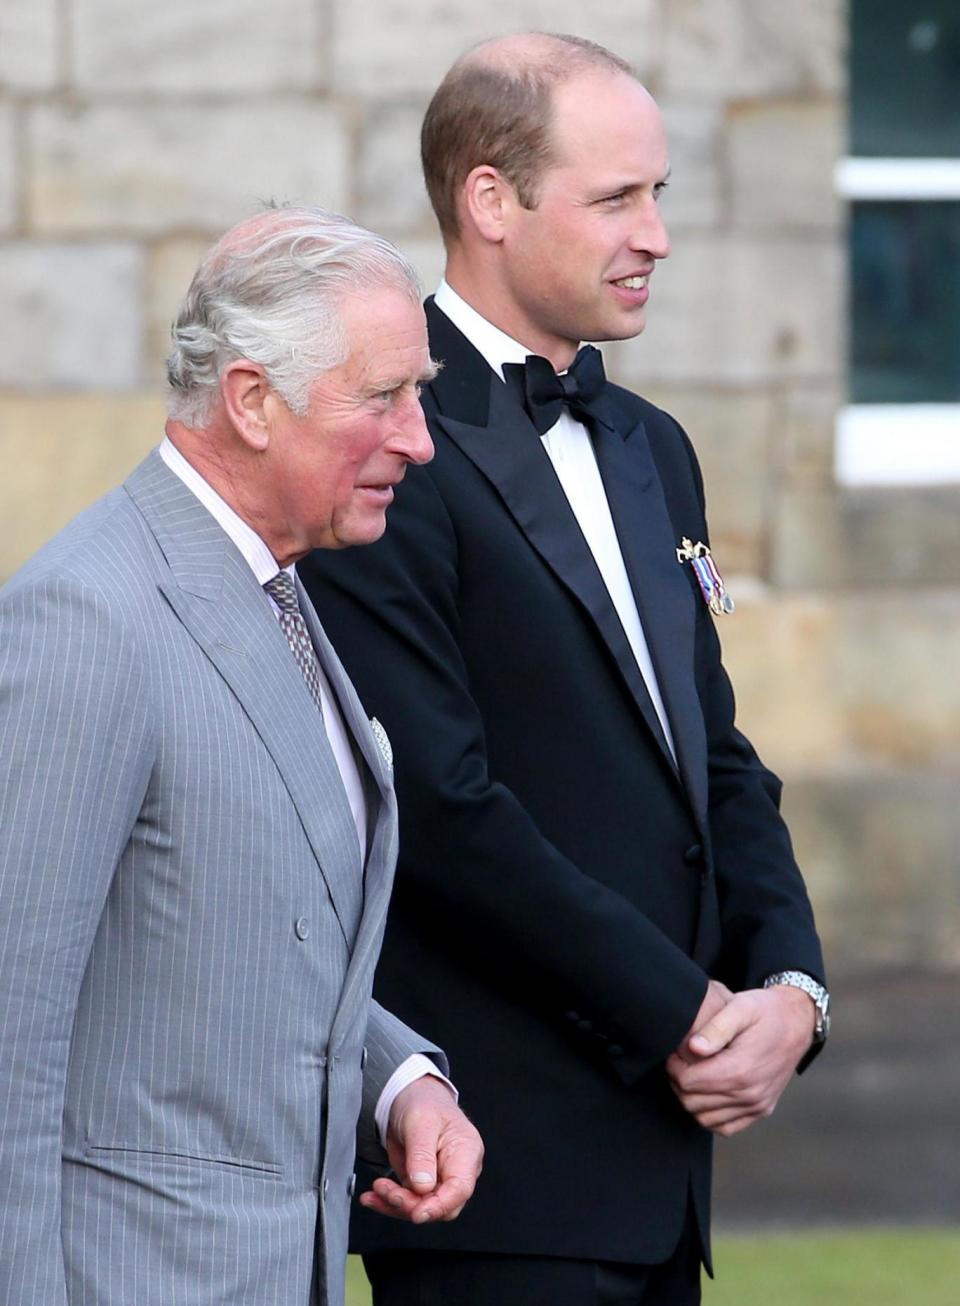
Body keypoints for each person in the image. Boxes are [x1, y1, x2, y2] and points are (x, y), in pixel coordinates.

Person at [299, 32, 828, 1306]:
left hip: (665, 1175)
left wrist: (794, 990)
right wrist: (689, 1017)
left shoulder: (655, 443)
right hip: (493, 1175)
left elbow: (715, 755)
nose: (656, 235)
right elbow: (436, 802)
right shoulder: (384, 437)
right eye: (617, 198)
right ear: (491, 199)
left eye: (662, 196)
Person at [0, 206, 484, 1306]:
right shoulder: (88, 620)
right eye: (385, 397)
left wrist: (398, 1078)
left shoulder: (275, 586)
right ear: (252, 401)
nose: (420, 439)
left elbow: (245, 931)